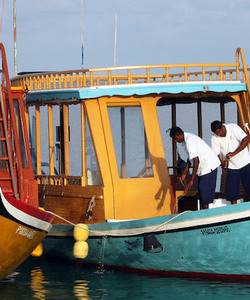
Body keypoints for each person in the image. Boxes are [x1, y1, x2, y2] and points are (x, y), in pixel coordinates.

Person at [169, 126, 220, 209]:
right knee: (201, 193)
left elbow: (196, 161)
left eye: (175, 139)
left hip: (209, 166)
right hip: (203, 168)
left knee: (204, 195)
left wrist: (191, 180)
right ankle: (203, 214)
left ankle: (205, 216)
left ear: (179, 135)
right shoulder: (184, 141)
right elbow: (190, 158)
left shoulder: (190, 141)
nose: (175, 141)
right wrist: (184, 173)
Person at [210, 120, 250, 204]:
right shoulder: (214, 138)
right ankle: (234, 210)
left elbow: (246, 140)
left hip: (245, 162)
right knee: (232, 191)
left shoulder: (233, 128)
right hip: (232, 166)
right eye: (216, 133)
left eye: (219, 132)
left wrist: (234, 153)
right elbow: (216, 155)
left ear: (222, 127)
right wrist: (222, 164)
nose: (218, 134)